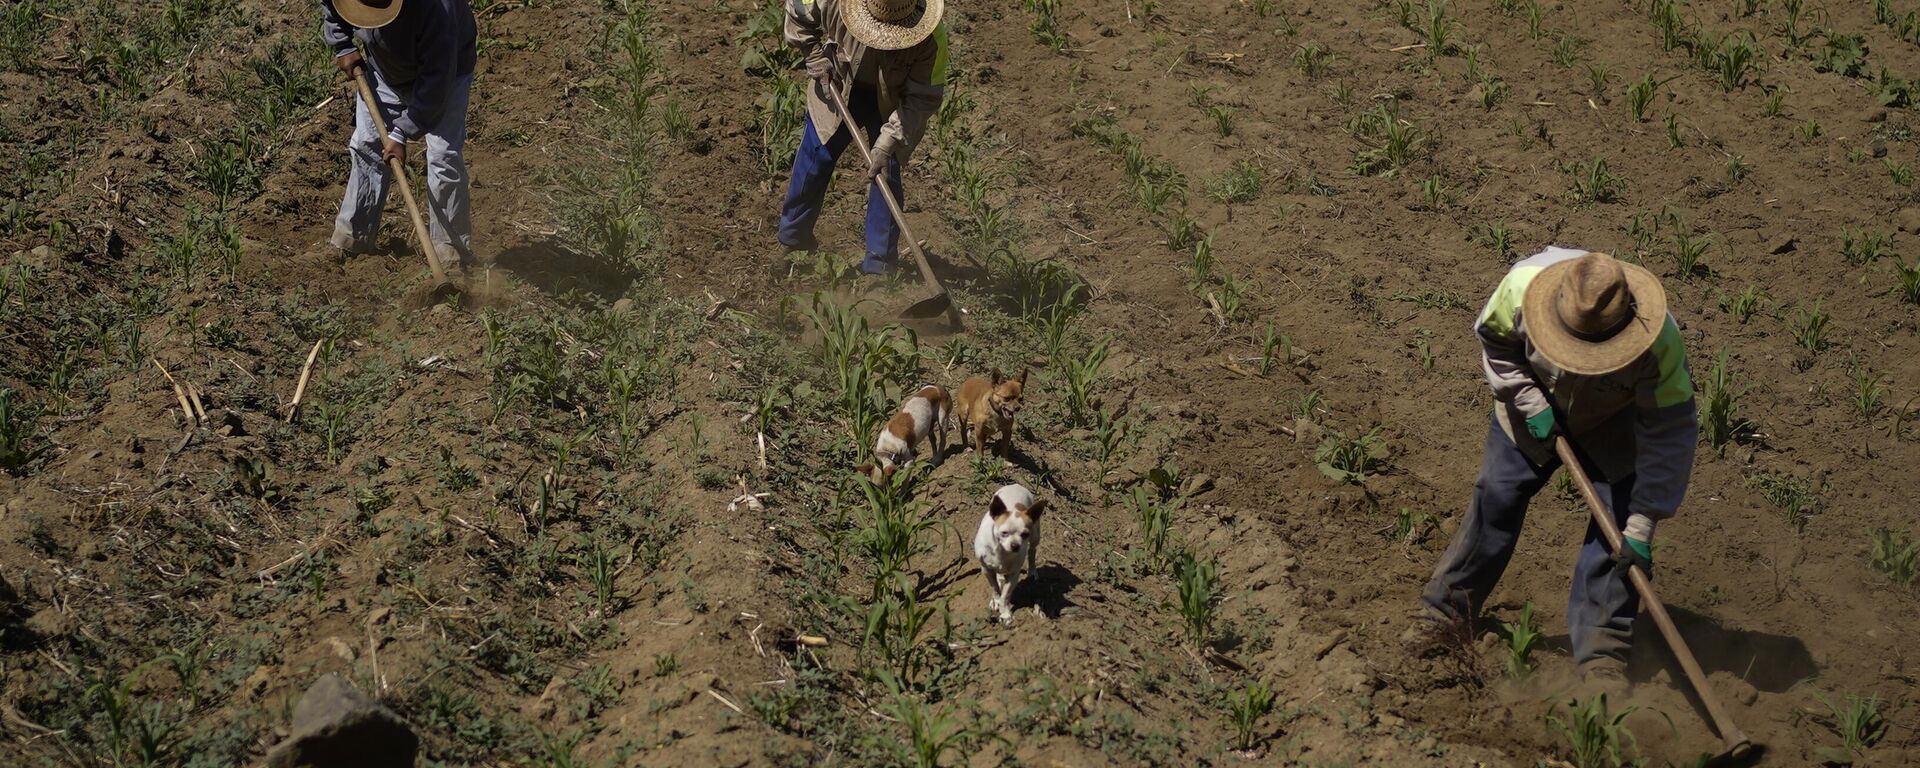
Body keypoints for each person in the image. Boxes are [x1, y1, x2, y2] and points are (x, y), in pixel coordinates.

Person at [1415, 248, 1698, 680]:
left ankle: (1603, 652)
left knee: (1617, 536)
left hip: (1614, 422)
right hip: (1532, 399)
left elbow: (1670, 432)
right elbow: (1496, 345)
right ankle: (1445, 611)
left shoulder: (1658, 340)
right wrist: (1529, 401)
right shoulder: (1521, 287)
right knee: (1498, 496)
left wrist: (1643, 523)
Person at [780, 0, 948, 276]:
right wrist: (812, 53)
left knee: (885, 173)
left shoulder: (931, 37)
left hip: (892, 105)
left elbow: (922, 98)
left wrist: (886, 143)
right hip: (839, 81)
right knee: (816, 156)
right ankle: (793, 239)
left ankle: (879, 267)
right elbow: (799, 9)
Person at [321, 0, 477, 282]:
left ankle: (450, 249)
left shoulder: (434, 10)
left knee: (443, 158)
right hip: (385, 70)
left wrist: (401, 132)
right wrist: (342, 44)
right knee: (367, 144)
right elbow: (332, 6)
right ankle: (352, 237)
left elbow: (437, 82)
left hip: (446, 74)